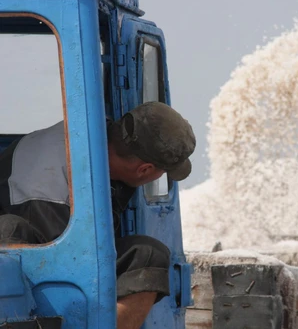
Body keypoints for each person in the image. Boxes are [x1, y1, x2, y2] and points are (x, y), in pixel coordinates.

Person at [0, 101, 196, 329]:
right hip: (26, 251)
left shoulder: (94, 131)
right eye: (162, 173)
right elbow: (67, 269)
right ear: (144, 169)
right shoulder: (46, 194)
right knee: (150, 256)